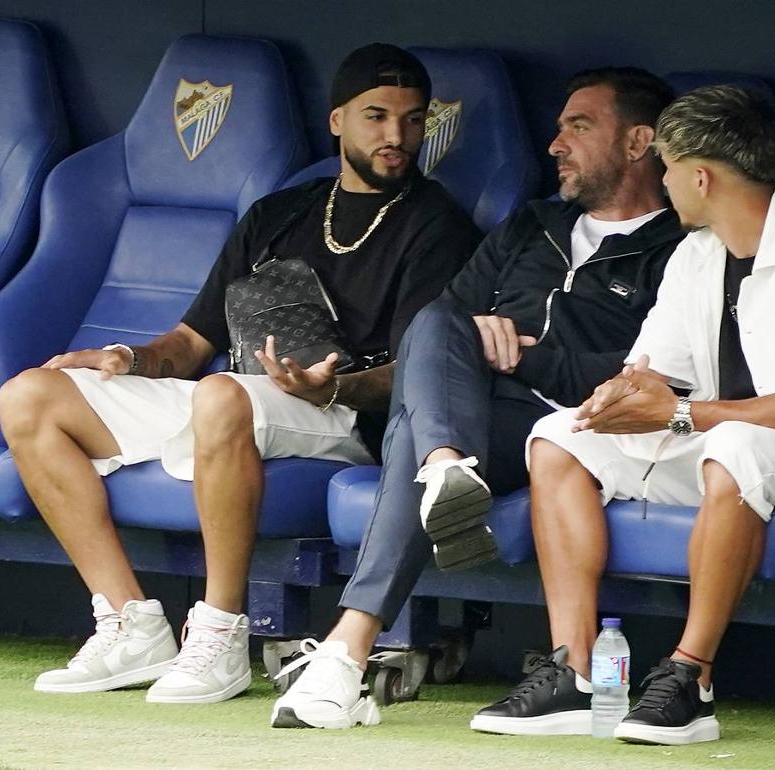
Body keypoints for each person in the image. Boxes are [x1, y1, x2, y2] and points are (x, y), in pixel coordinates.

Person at [0, 43, 479, 704]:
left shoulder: (437, 223)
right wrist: (132, 360)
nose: (397, 136)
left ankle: (220, 634)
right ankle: (129, 622)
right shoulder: (280, 213)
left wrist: (331, 386)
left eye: (413, 120)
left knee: (222, 397)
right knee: (28, 396)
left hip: (349, 412)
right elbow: (194, 341)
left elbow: (424, 370)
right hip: (244, 396)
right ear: (337, 120)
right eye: (377, 116)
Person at [473, 85, 775, 743]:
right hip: (717, 441)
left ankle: (692, 677)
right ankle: (575, 670)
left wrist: (676, 412)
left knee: (732, 447)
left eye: (670, 168)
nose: (664, 180)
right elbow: (650, 368)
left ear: (701, 177)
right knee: (558, 435)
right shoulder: (698, 254)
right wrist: (617, 400)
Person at [270, 67, 686, 730]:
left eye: (578, 127)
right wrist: (473, 345)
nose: (556, 145)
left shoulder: (683, 247)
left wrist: (526, 352)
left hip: (580, 430)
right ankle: (444, 468)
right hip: (484, 418)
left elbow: (653, 373)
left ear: (638, 142)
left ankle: (347, 654)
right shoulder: (532, 225)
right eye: (557, 129)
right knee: (435, 326)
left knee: (414, 430)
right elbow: (441, 327)